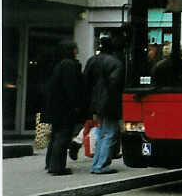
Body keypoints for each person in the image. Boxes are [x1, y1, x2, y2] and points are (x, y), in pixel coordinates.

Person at [44, 39, 86, 175]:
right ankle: (57, 167)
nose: (77, 49)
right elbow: (71, 87)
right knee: (63, 135)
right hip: (65, 107)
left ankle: (50, 163)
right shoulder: (69, 65)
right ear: (71, 49)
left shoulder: (60, 64)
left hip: (56, 106)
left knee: (56, 135)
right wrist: (76, 105)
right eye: (75, 47)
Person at [84, 34, 124, 174]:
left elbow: (86, 82)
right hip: (109, 102)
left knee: (101, 133)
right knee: (110, 133)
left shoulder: (92, 61)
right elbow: (115, 85)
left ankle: (96, 165)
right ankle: (101, 165)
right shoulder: (115, 63)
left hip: (96, 103)